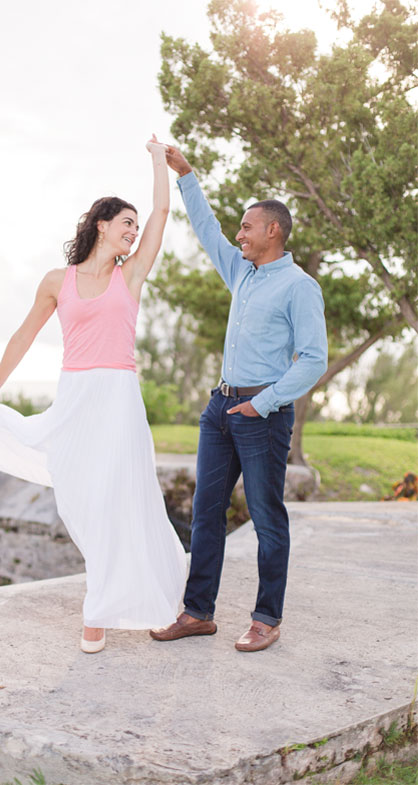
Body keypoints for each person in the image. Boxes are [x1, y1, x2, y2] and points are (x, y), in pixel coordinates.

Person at [0, 137, 187, 653]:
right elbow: (22, 336)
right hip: (76, 396)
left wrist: (157, 161)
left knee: (118, 500)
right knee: (81, 500)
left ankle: (96, 613)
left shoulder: (135, 274)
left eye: (134, 225)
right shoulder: (59, 281)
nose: (132, 230)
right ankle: (103, 596)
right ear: (102, 225)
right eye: (125, 222)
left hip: (120, 398)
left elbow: (163, 209)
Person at [149, 147, 327, 652]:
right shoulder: (241, 273)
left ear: (273, 231)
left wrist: (263, 403)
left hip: (261, 416)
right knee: (206, 512)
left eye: (248, 227)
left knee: (267, 517)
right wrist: (185, 175)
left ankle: (266, 618)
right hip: (219, 409)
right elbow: (207, 229)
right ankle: (197, 612)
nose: (240, 234)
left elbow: (313, 359)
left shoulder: (299, 286)